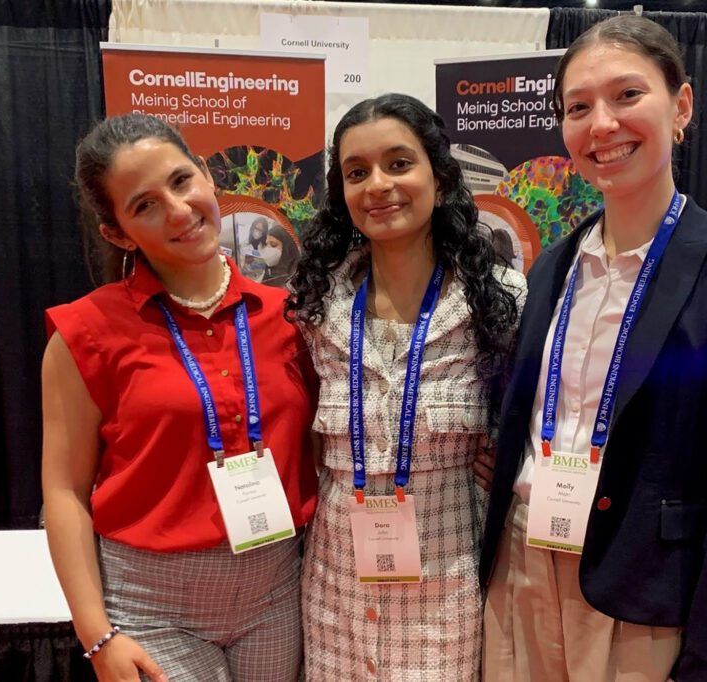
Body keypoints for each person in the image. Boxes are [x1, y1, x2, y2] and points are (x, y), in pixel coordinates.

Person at [480, 15, 707, 682]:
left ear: (680, 106)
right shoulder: (551, 268)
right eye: (578, 107)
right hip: (521, 570)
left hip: (642, 594)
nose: (601, 124)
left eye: (627, 95)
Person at [41, 113, 317, 682]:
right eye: (143, 205)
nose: (178, 210)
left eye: (182, 180)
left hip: (275, 590)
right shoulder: (87, 332)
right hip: (153, 603)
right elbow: (65, 492)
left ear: (209, 179)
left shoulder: (287, 316)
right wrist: (97, 636)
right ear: (117, 231)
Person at [286, 93, 525, 680]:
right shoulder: (316, 307)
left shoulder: (502, 300)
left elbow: (533, 420)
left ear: (440, 179)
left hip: (452, 590)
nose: (378, 185)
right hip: (336, 590)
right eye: (357, 172)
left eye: (399, 164)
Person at [261, 224, 301, 288]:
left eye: (273, 245)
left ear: (287, 247)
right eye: (266, 244)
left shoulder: (295, 274)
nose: (268, 249)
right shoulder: (266, 269)